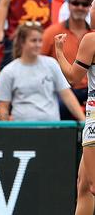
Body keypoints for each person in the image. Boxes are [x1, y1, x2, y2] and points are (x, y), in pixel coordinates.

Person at [0, 23, 85, 121]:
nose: (38, 45)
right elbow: (3, 106)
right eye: (33, 41)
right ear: (22, 42)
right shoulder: (8, 71)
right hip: (22, 131)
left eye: (40, 41)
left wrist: (84, 122)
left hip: (51, 129)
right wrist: (6, 132)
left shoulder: (52, 64)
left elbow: (67, 96)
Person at [54, 11, 95, 215]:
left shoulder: (91, 39)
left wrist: (59, 52)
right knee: (84, 184)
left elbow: (73, 78)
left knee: (93, 186)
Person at [42, 0, 92, 117]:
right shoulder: (52, 32)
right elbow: (40, 62)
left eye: (85, 4)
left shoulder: (91, 35)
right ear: (68, 5)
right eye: (76, 3)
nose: (80, 7)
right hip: (62, 89)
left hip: (89, 89)